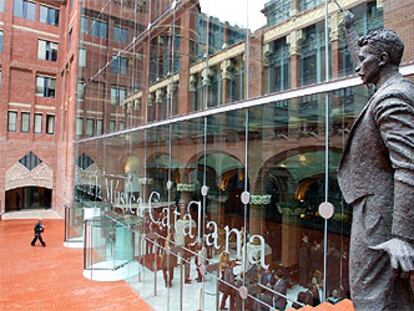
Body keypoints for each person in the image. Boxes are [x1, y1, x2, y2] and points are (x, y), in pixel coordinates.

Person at [338, 10, 414, 310]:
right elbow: (364, 59)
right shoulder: (388, 87)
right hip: (375, 208)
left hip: (381, 216)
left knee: (371, 293)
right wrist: (349, 29)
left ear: (382, 60)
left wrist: (401, 236)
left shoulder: (392, 98)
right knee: (384, 293)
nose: (358, 67)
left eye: (364, 59)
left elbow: (408, 165)